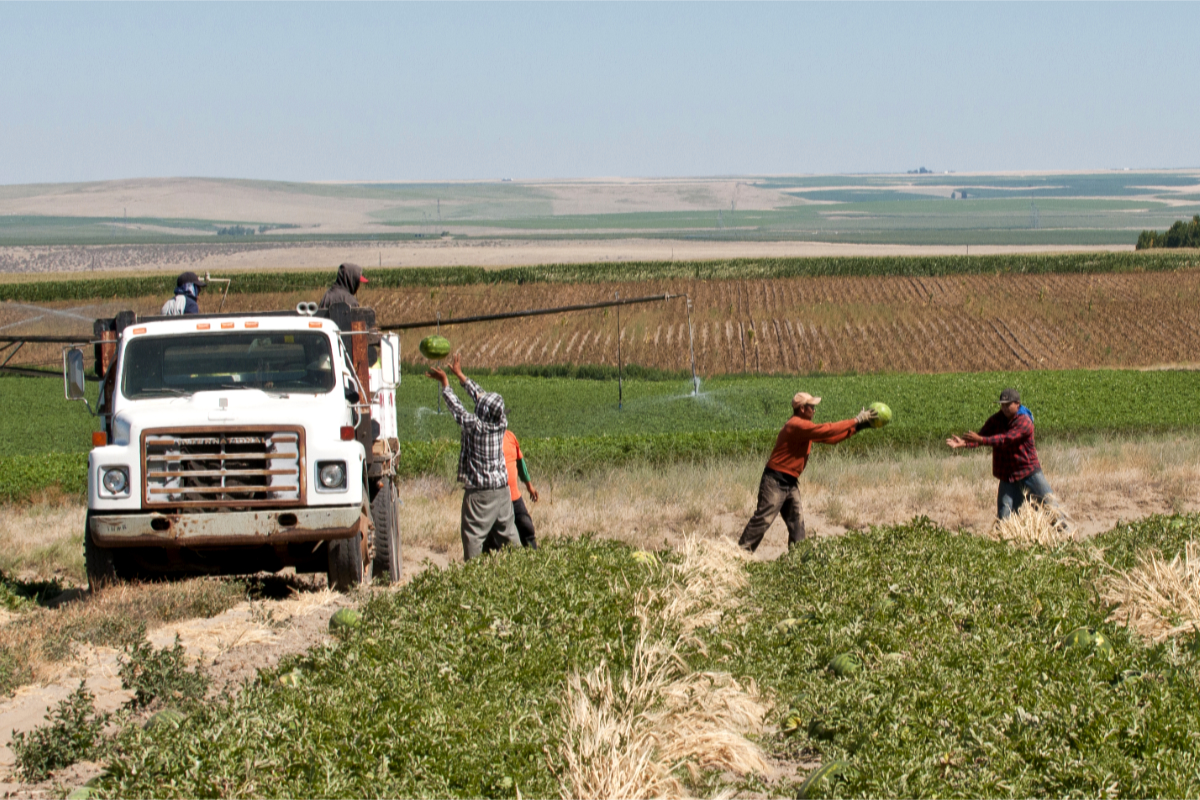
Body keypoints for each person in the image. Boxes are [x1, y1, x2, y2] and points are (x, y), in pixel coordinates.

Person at [738, 392, 877, 553]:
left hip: (790, 482)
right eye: (812, 407)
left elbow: (831, 439)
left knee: (797, 522)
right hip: (775, 481)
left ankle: (797, 558)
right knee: (763, 519)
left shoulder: (805, 428)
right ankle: (740, 554)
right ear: (802, 408)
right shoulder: (797, 425)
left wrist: (859, 427)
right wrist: (856, 420)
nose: (814, 410)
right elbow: (827, 430)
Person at [426, 352, 521, 560]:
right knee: (509, 534)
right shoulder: (501, 422)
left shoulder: (477, 427)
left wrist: (445, 384)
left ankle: (473, 578)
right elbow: (480, 395)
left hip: (481, 494)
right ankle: (522, 567)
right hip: (502, 490)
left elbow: (457, 409)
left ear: (483, 412)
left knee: (473, 537)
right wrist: (461, 376)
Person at [946, 387, 1059, 520]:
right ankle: (1005, 539)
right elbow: (983, 436)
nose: (1004, 408)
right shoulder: (996, 420)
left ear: (1017, 404)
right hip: (1008, 475)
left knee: (1050, 507)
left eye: (1007, 405)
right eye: (1002, 405)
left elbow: (1005, 439)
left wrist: (981, 440)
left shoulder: (1024, 421)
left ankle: (1067, 534)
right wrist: (964, 443)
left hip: (1028, 472)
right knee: (1005, 514)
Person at [485, 430, 540, 552]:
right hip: (493, 499)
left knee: (526, 526)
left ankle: (534, 557)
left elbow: (520, 464)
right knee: (492, 537)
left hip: (514, 496)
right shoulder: (483, 440)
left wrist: (529, 486)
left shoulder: (510, 436)